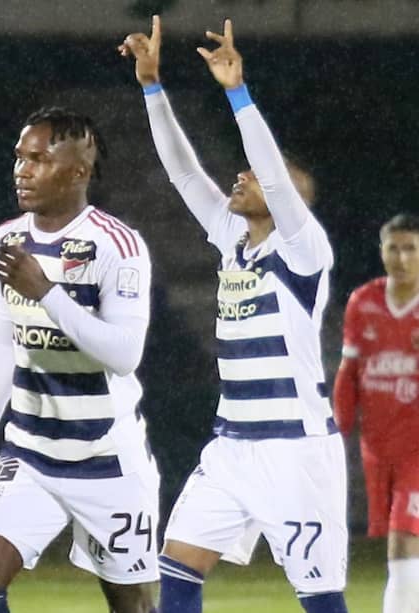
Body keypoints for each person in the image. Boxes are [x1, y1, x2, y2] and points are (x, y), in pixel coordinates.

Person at [120, 16, 348, 613]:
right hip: (232, 445)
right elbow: (182, 172)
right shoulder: (232, 240)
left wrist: (237, 93)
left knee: (320, 598)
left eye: (260, 176)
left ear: (290, 201)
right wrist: (152, 86)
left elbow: (269, 170)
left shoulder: (302, 252)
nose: (242, 175)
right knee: (176, 567)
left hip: (296, 450)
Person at [0, 106, 160, 613]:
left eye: (39, 160)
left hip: (106, 457)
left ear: (77, 171)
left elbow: (124, 354)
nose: (22, 171)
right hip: (28, 453)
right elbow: (7, 340)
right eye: (20, 158)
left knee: (133, 606)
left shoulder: (117, 245)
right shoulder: (8, 240)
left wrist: (46, 292)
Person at [334, 213, 419, 612]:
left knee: (403, 541)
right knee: (399, 545)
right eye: (393, 248)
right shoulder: (363, 301)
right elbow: (348, 374)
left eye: (411, 249)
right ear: (381, 251)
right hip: (378, 447)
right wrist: (337, 433)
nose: (401, 258)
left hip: (416, 449)